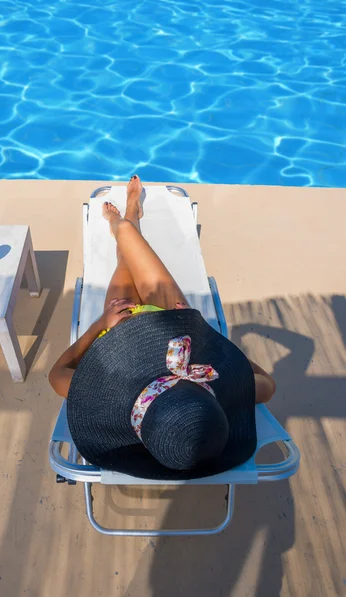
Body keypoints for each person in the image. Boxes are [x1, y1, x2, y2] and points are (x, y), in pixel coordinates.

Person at [48, 175, 276, 478]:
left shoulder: (108, 396)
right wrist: (206, 338)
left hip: (122, 327)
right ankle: (129, 215)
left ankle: (124, 218)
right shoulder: (212, 403)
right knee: (129, 241)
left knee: (125, 249)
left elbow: (56, 374)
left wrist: (98, 326)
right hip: (175, 324)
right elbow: (268, 385)